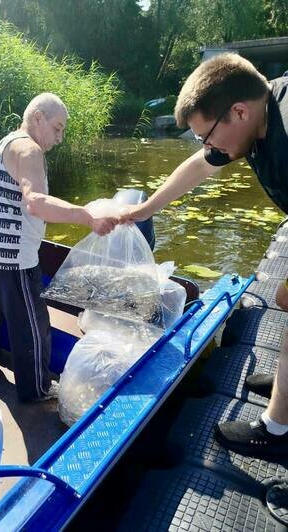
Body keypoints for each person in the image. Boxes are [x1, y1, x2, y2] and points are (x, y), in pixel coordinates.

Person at [122, 53, 288, 457]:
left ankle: (277, 429)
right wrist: (144, 210)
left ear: (238, 111)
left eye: (208, 135)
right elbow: (200, 165)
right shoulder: (249, 118)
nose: (207, 146)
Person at [0, 93, 119, 402]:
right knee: (33, 328)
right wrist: (87, 216)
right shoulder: (31, 150)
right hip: (13, 261)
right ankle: (35, 390)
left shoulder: (6, 143)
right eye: (57, 128)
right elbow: (35, 202)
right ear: (38, 118)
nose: (59, 138)